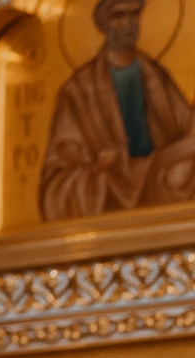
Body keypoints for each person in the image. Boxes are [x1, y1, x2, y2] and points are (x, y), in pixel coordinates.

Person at [40, 0, 195, 220]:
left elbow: (184, 135)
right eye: (119, 16)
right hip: (111, 183)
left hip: (160, 176)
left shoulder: (157, 77)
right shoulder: (77, 91)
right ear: (103, 24)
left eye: (134, 15)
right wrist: (95, 165)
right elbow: (57, 177)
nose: (129, 24)